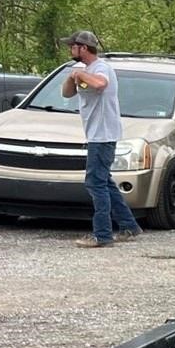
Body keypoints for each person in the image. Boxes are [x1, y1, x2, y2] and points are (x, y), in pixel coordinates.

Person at [60, 29, 142, 248]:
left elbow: (99, 84)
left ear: (83, 48)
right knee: (105, 182)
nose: (70, 49)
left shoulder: (101, 68)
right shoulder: (84, 70)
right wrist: (72, 75)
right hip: (95, 134)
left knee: (95, 183)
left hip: (103, 134)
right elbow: (67, 93)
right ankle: (129, 226)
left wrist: (81, 75)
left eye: (73, 46)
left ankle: (102, 234)